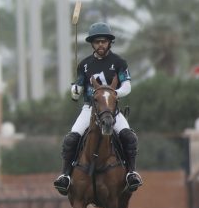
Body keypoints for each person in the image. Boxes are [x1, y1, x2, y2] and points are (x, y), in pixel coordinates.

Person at [53, 22, 143, 195]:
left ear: (109, 42)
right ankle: (65, 176)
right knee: (71, 139)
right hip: (89, 109)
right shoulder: (84, 65)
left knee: (129, 137)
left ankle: (131, 172)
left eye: (103, 41)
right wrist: (75, 90)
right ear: (92, 44)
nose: (100, 44)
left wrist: (110, 95)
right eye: (96, 42)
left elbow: (127, 86)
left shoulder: (118, 62)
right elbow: (77, 91)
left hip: (111, 108)